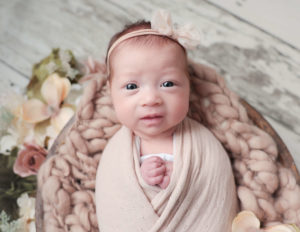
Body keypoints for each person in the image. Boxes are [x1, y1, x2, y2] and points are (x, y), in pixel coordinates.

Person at [96, 10, 237, 232]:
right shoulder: (115, 154)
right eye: (132, 87)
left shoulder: (204, 145)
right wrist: (142, 180)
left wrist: (181, 178)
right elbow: (115, 201)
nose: (151, 99)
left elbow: (216, 193)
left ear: (189, 87)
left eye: (168, 84)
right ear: (111, 92)